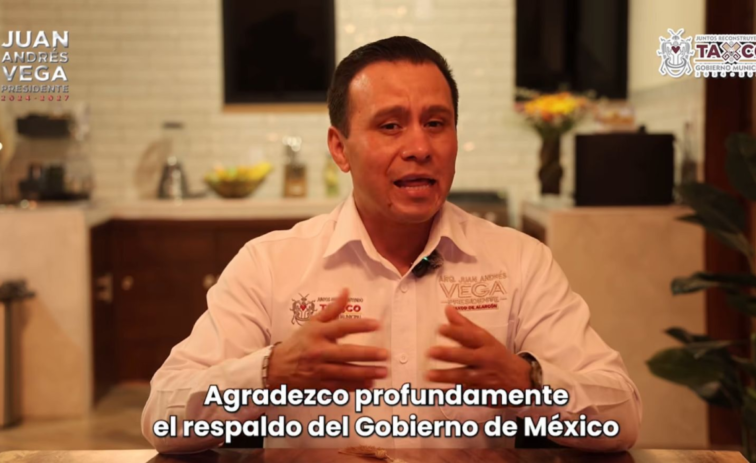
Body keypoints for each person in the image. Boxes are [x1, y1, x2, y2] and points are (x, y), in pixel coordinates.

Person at [141, 36, 642, 454]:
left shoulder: (518, 261)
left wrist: (526, 383)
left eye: (436, 123)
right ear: (340, 148)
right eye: (390, 126)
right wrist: (270, 372)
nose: (419, 147)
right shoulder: (270, 264)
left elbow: (621, 418)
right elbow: (163, 418)